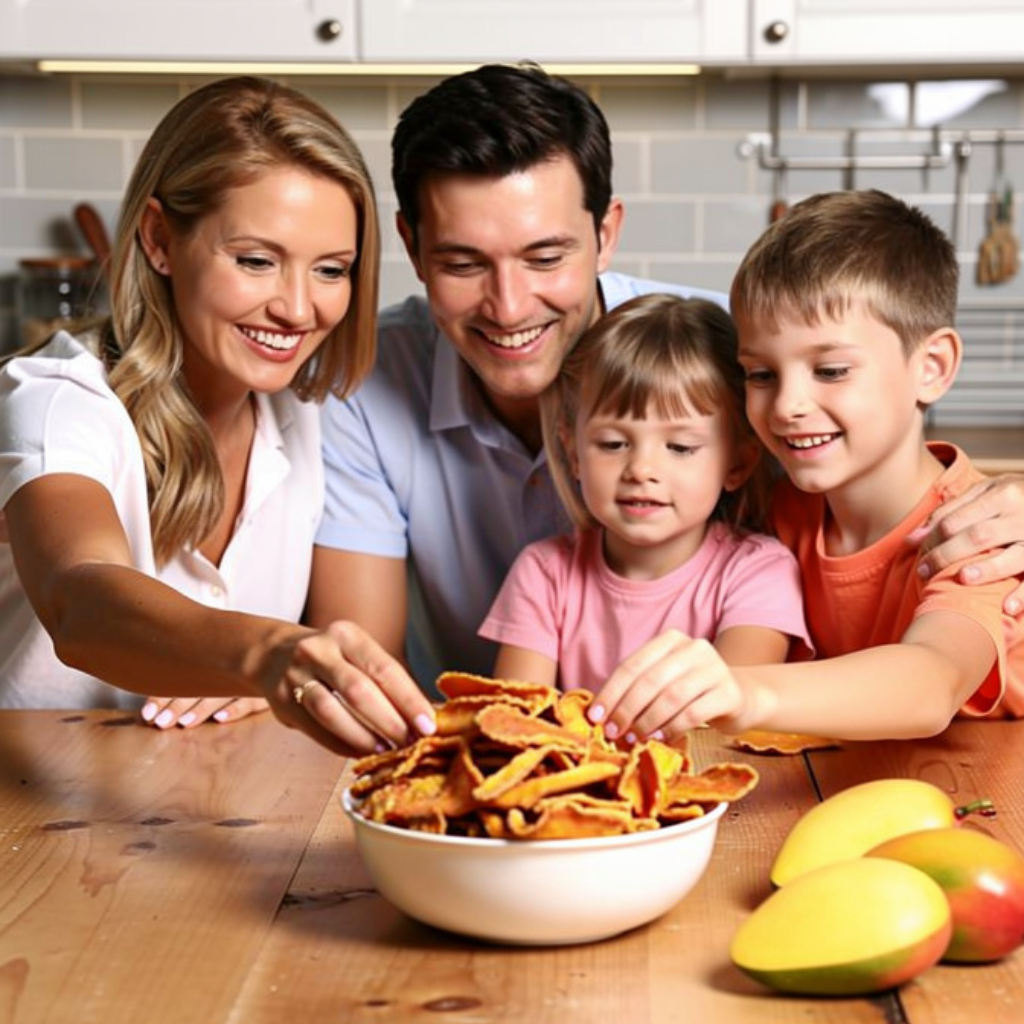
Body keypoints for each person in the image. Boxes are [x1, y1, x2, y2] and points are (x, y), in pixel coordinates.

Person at [308, 62, 1024, 695]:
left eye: (545, 257)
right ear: (410, 244)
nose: (510, 305)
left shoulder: (730, 354)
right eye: (464, 264)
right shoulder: (359, 380)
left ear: (606, 233)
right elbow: (364, 663)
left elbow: (885, 461)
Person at [0, 76, 435, 757]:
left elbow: (331, 664)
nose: (298, 308)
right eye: (257, 261)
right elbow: (78, 602)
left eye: (331, 270)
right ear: (159, 240)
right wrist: (264, 656)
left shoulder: (307, 415)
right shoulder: (56, 399)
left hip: (196, 813)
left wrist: (241, 675)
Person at [583, 189, 1024, 747]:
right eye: (761, 375)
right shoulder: (783, 504)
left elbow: (930, 682)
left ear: (931, 368)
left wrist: (744, 692)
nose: (788, 405)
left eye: (831, 370)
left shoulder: (978, 533)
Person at [478, 293, 812, 706]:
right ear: (573, 453)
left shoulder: (758, 573)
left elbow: (725, 719)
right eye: (614, 443)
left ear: (737, 464)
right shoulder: (543, 573)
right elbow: (517, 723)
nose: (641, 469)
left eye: (680, 447)